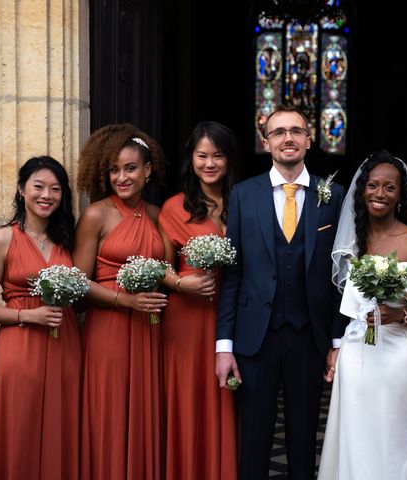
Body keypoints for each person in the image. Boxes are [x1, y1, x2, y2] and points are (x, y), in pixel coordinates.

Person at [215, 105, 345, 479]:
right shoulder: (243, 195)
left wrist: (337, 339)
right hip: (255, 336)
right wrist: (224, 346)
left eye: (296, 131)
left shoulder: (333, 195)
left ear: (309, 139)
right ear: (266, 141)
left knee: (305, 440)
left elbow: (341, 276)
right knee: (254, 439)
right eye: (278, 132)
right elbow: (233, 274)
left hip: (309, 335)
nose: (288, 138)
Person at [318, 151, 407, 480]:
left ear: (401, 194)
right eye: (373, 186)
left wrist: (397, 316)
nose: (380, 194)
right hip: (357, 351)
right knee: (357, 436)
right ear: (362, 191)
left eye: (390, 187)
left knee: (394, 436)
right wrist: (337, 347)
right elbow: (344, 307)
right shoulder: (355, 241)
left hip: (399, 353)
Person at [74, 124, 168, 480]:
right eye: (114, 169)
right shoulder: (95, 215)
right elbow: (79, 284)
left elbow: (171, 272)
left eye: (130, 168)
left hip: (150, 331)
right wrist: (122, 300)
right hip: (109, 331)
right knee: (109, 413)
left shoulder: (160, 216)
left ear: (147, 171)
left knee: (146, 412)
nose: (121, 177)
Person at [0, 156, 80, 480]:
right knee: (20, 430)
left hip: (66, 346)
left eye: (55, 189)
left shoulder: (69, 241)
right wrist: (27, 315)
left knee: (62, 429)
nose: (46, 195)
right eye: (38, 186)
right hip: (20, 348)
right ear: (22, 189)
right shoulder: (2, 239)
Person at [158, 122, 239, 479]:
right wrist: (180, 283)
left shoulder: (245, 201)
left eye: (217, 155)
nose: (210, 163)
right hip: (188, 316)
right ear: (191, 159)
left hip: (234, 310)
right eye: (202, 155)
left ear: (228, 159)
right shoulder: (175, 207)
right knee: (189, 398)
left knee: (229, 395)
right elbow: (160, 265)